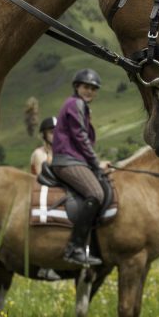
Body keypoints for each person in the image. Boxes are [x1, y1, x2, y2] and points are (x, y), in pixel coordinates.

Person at [51, 68, 108, 267]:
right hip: (68, 161)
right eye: (86, 87)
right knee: (96, 194)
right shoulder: (75, 104)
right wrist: (96, 163)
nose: (89, 91)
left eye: (93, 88)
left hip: (75, 160)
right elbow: (80, 138)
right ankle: (74, 248)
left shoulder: (79, 105)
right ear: (77, 86)